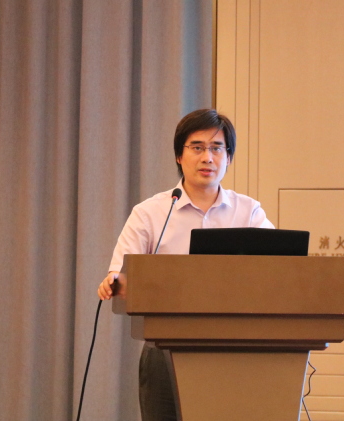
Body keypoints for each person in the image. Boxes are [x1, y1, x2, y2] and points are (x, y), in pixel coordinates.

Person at [97, 108, 274, 421]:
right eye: (197, 147)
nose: (208, 158)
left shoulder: (248, 212)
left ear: (229, 158)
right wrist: (114, 281)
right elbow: (121, 272)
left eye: (217, 148)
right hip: (163, 347)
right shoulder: (151, 213)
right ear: (179, 155)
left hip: (231, 347)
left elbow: (280, 267)